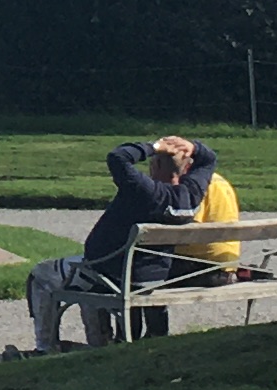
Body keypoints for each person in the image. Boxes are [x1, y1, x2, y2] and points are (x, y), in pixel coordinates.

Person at [22, 135, 221, 352]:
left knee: (41, 275)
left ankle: (45, 347)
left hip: (111, 273)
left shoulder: (144, 190)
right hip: (152, 276)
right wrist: (193, 147)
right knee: (86, 277)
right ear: (186, 169)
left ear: (154, 165)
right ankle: (99, 343)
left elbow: (117, 157)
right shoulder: (191, 196)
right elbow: (209, 159)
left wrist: (153, 146)